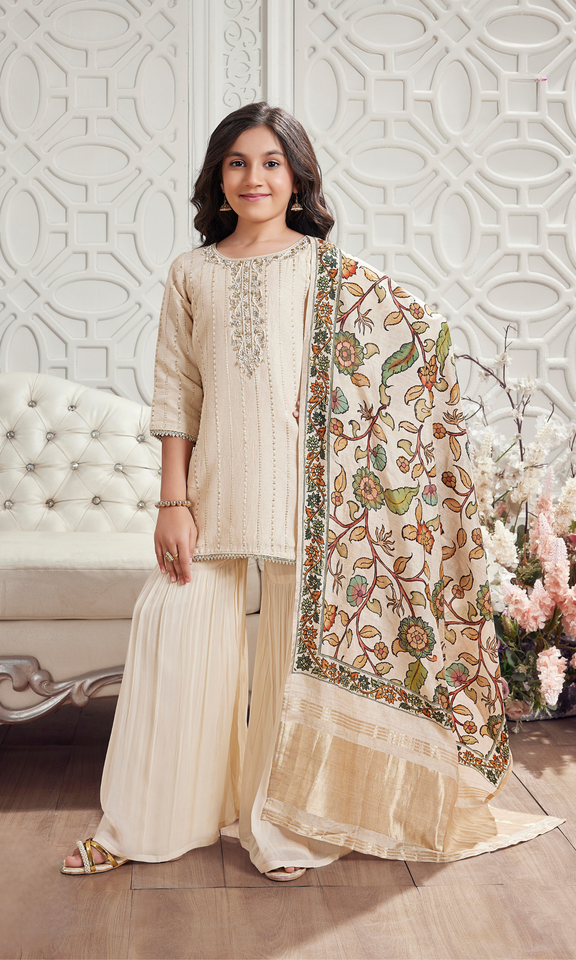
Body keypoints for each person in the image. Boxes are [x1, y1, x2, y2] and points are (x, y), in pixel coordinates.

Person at [62, 103, 563, 879]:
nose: (253, 177)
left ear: (296, 177)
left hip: (317, 502)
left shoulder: (328, 271)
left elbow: (419, 339)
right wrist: (172, 503)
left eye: (270, 162)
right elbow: (176, 395)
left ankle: (279, 829)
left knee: (292, 670)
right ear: (217, 176)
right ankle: (138, 825)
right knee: (172, 630)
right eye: (237, 162)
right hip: (214, 493)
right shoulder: (192, 272)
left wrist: (345, 405)